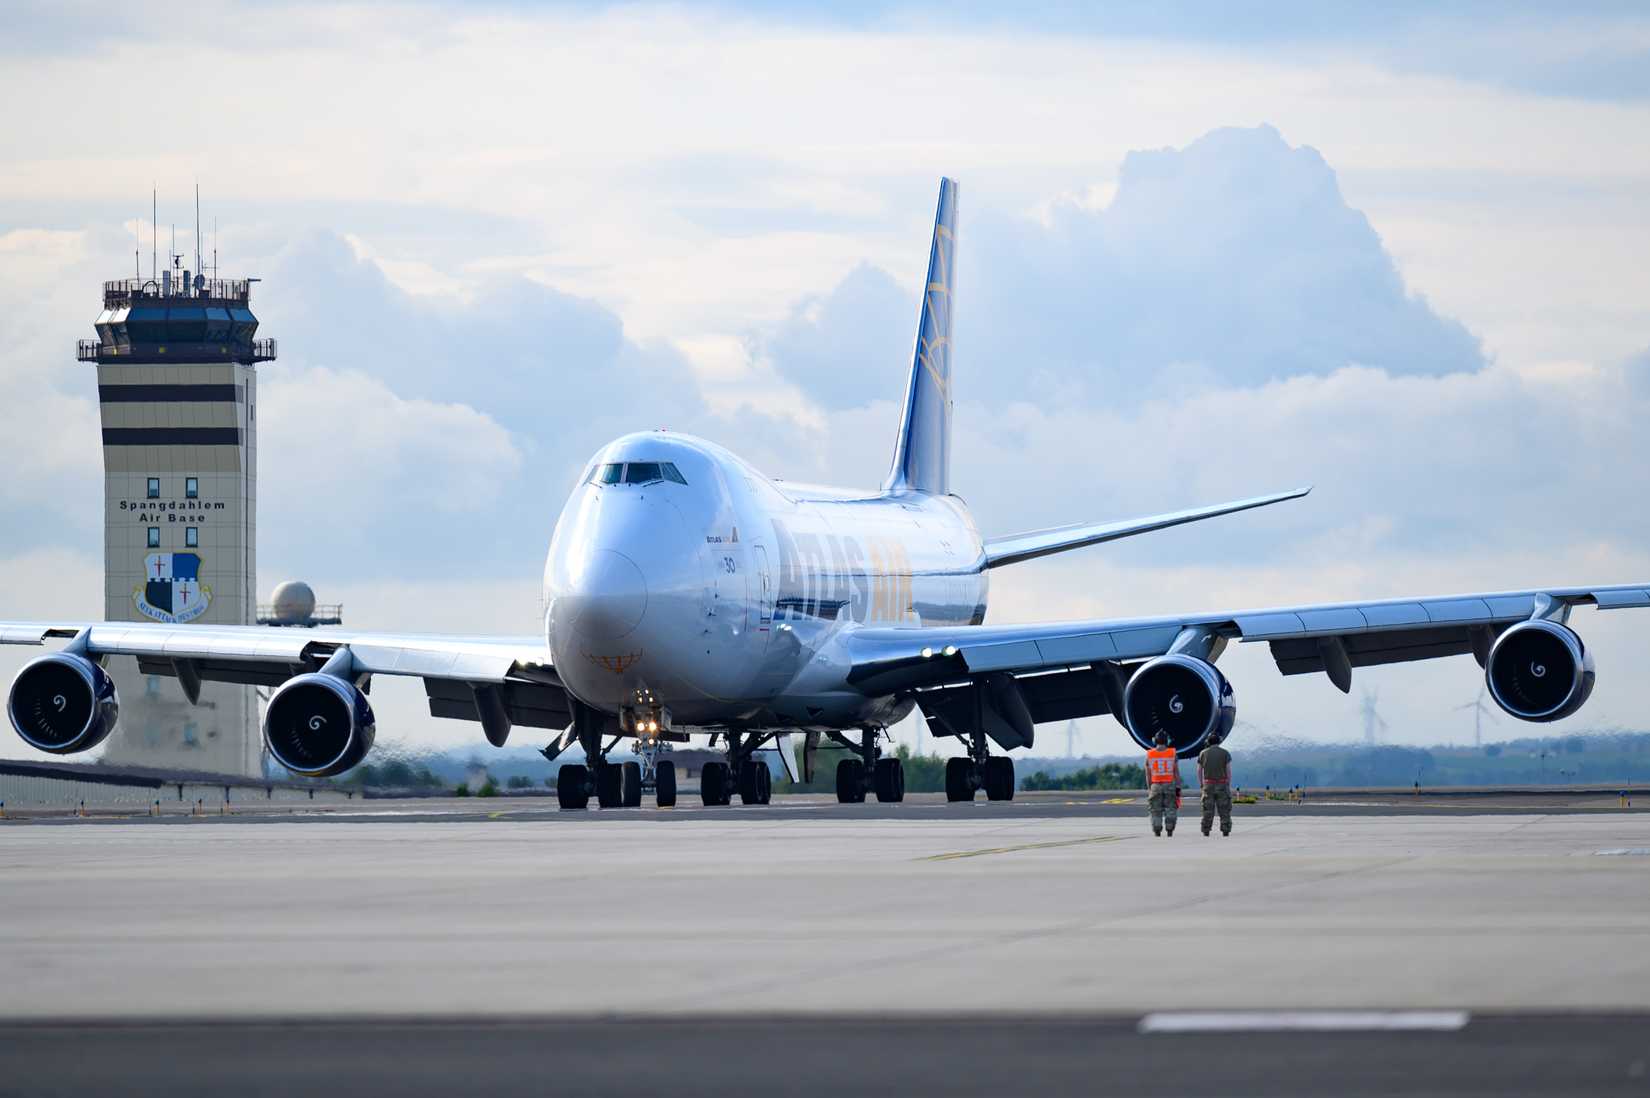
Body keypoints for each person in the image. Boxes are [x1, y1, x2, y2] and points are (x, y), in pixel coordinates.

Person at [1145, 731, 1181, 837]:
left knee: (1155, 809)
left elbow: (1148, 774)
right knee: (1171, 808)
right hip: (1169, 784)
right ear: (1167, 741)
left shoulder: (1149, 754)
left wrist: (1149, 788)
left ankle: (1157, 829)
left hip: (1155, 785)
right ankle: (1170, 829)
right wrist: (1178, 788)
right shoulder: (1172, 753)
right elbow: (1176, 773)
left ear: (1155, 741)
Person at [1198, 731, 1234, 836]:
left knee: (1207, 810)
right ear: (1219, 741)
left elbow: (1199, 770)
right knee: (1224, 810)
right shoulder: (1225, 753)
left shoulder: (1203, 753)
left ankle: (1206, 830)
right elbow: (1228, 770)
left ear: (1208, 741)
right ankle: (1225, 830)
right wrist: (1228, 783)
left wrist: (1201, 783)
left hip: (1208, 784)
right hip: (1222, 784)